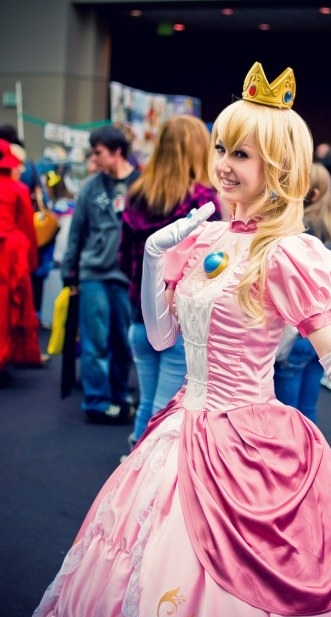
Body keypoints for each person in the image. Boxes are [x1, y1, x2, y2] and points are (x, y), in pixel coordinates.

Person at [25, 61, 331, 617]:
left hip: (249, 442)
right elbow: (161, 337)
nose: (224, 164)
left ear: (276, 167)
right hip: (180, 430)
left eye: (242, 154)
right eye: (222, 148)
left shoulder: (285, 254)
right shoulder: (203, 236)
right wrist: (153, 257)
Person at [119, 114, 222, 455]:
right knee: (165, 407)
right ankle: (144, 473)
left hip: (140, 314)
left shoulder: (137, 194)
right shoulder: (204, 201)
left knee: (147, 401)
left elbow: (124, 258)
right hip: (179, 320)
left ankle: (132, 464)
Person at [61, 125, 140, 424]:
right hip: (93, 273)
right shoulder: (91, 187)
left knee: (123, 341)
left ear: (117, 151)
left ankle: (119, 396)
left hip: (126, 276)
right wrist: (69, 271)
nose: (93, 158)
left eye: (98, 152)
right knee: (95, 342)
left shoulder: (141, 186)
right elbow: (76, 231)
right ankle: (96, 401)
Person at [274, 161, 331, 420]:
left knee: (285, 417)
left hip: (298, 330)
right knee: (307, 413)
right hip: (325, 328)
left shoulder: (301, 228)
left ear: (313, 193)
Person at [0, 140, 45, 386]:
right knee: (8, 307)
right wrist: (32, 260)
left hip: (9, 253)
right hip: (9, 257)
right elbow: (28, 227)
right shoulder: (17, 189)